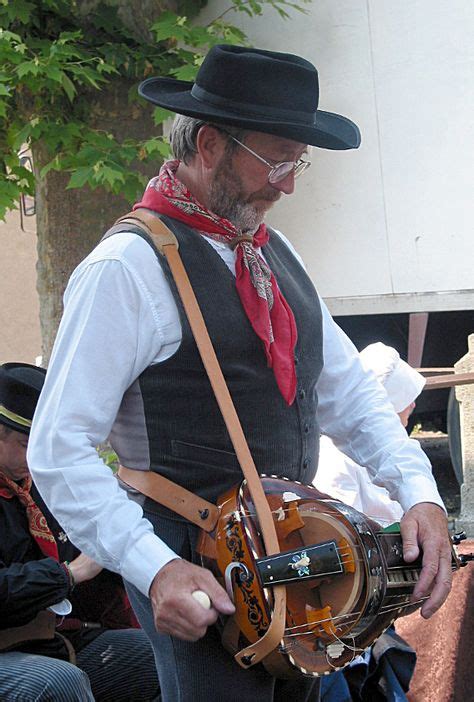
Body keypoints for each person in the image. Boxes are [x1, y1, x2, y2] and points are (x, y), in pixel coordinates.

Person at [27, 45, 452, 702]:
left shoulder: (277, 255)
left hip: (293, 553)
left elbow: (348, 393)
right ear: (207, 144)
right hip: (192, 555)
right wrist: (155, 567)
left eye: (296, 163)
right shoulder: (125, 271)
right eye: (276, 160)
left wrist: (417, 490)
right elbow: (56, 450)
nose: (287, 183)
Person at [0, 362, 160, 702]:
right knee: (56, 683)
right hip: (12, 654)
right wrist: (68, 574)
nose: (37, 458)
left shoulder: (38, 485)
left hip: (54, 641)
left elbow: (92, 557)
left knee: (166, 655)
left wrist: (133, 559)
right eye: (26, 443)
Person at [316, 343, 427, 701]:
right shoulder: (334, 457)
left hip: (376, 598)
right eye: (406, 404)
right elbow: (341, 534)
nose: (412, 408)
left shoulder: (389, 450)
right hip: (344, 606)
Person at [315, 342, 426, 526]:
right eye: (407, 399)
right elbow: (345, 527)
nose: (413, 405)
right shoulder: (335, 457)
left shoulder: (396, 447)